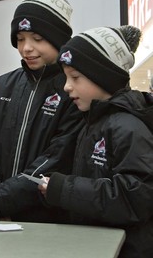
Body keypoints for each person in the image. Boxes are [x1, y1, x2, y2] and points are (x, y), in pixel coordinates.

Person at [0, 0, 84, 222]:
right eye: (20, 39)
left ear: (59, 40)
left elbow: (58, 156)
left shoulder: (72, 90)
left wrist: (3, 198)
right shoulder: (3, 85)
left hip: (48, 217)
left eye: (38, 38)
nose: (26, 48)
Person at [38, 25, 153, 258]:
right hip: (101, 246)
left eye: (75, 77)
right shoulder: (93, 122)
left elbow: (134, 198)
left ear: (103, 77)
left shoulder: (127, 127)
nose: (66, 86)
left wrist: (63, 189)